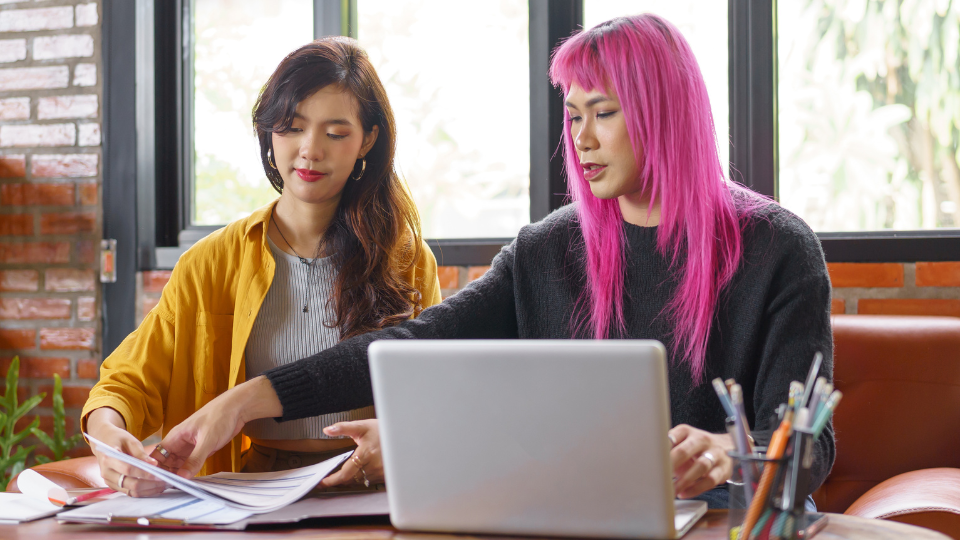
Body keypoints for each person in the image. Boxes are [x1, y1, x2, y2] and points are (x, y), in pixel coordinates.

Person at [158, 15, 836, 508]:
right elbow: (413, 345)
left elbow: (809, 450)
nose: (584, 139)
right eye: (573, 117)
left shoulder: (777, 249)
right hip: (575, 518)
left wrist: (728, 452)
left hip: (727, 523)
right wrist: (248, 401)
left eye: (602, 113)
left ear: (664, 114)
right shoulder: (547, 249)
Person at [80, 37, 442, 498]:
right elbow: (128, 380)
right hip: (249, 490)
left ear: (368, 139)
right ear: (269, 131)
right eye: (292, 127)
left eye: (335, 133)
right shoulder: (212, 262)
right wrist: (109, 434)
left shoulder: (405, 260)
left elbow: (439, 394)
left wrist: (400, 440)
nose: (310, 151)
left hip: (374, 489)